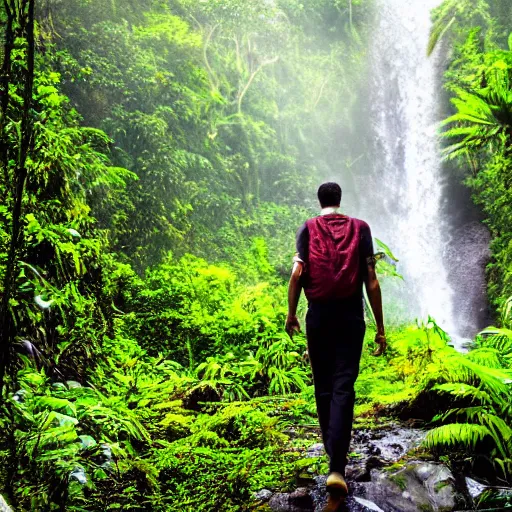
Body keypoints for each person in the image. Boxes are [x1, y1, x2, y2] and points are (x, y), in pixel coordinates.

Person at [285, 182, 386, 500]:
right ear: (340, 201)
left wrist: (291, 314)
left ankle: (334, 460)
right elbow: (371, 279)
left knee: (323, 386)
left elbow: (297, 275)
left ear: (320, 201)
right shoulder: (361, 228)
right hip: (350, 317)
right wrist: (380, 327)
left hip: (318, 319)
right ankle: (337, 468)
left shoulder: (307, 228)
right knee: (344, 386)